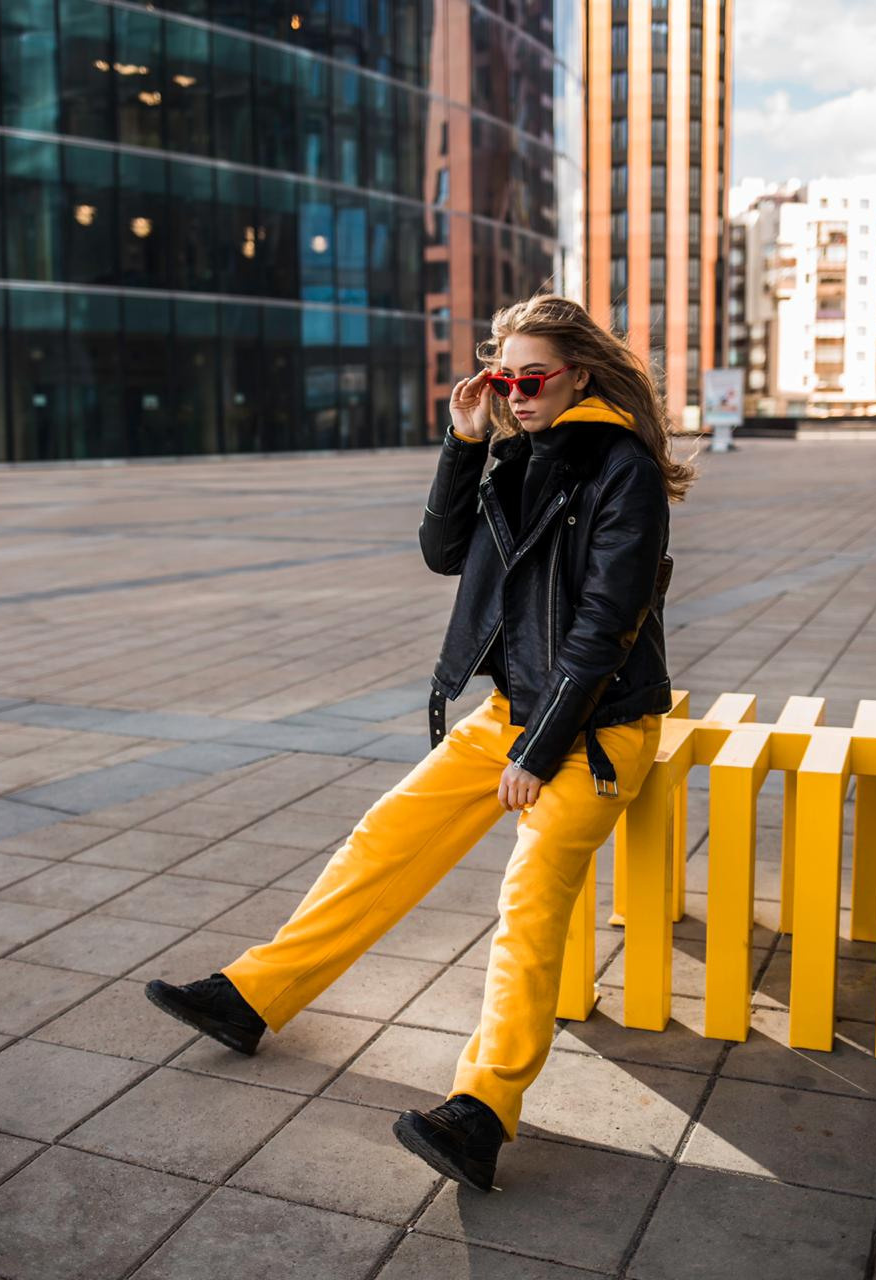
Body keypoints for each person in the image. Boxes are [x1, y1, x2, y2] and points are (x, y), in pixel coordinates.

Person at [144, 292, 697, 1192]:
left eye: (531, 378)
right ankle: (252, 996)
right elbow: (444, 553)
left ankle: (481, 1110)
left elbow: (606, 622)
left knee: (529, 902)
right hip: (512, 715)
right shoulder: (514, 449)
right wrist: (464, 439)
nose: (515, 393)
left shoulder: (619, 468)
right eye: (503, 378)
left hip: (598, 730)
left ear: (578, 376)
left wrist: (540, 750)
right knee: (385, 836)